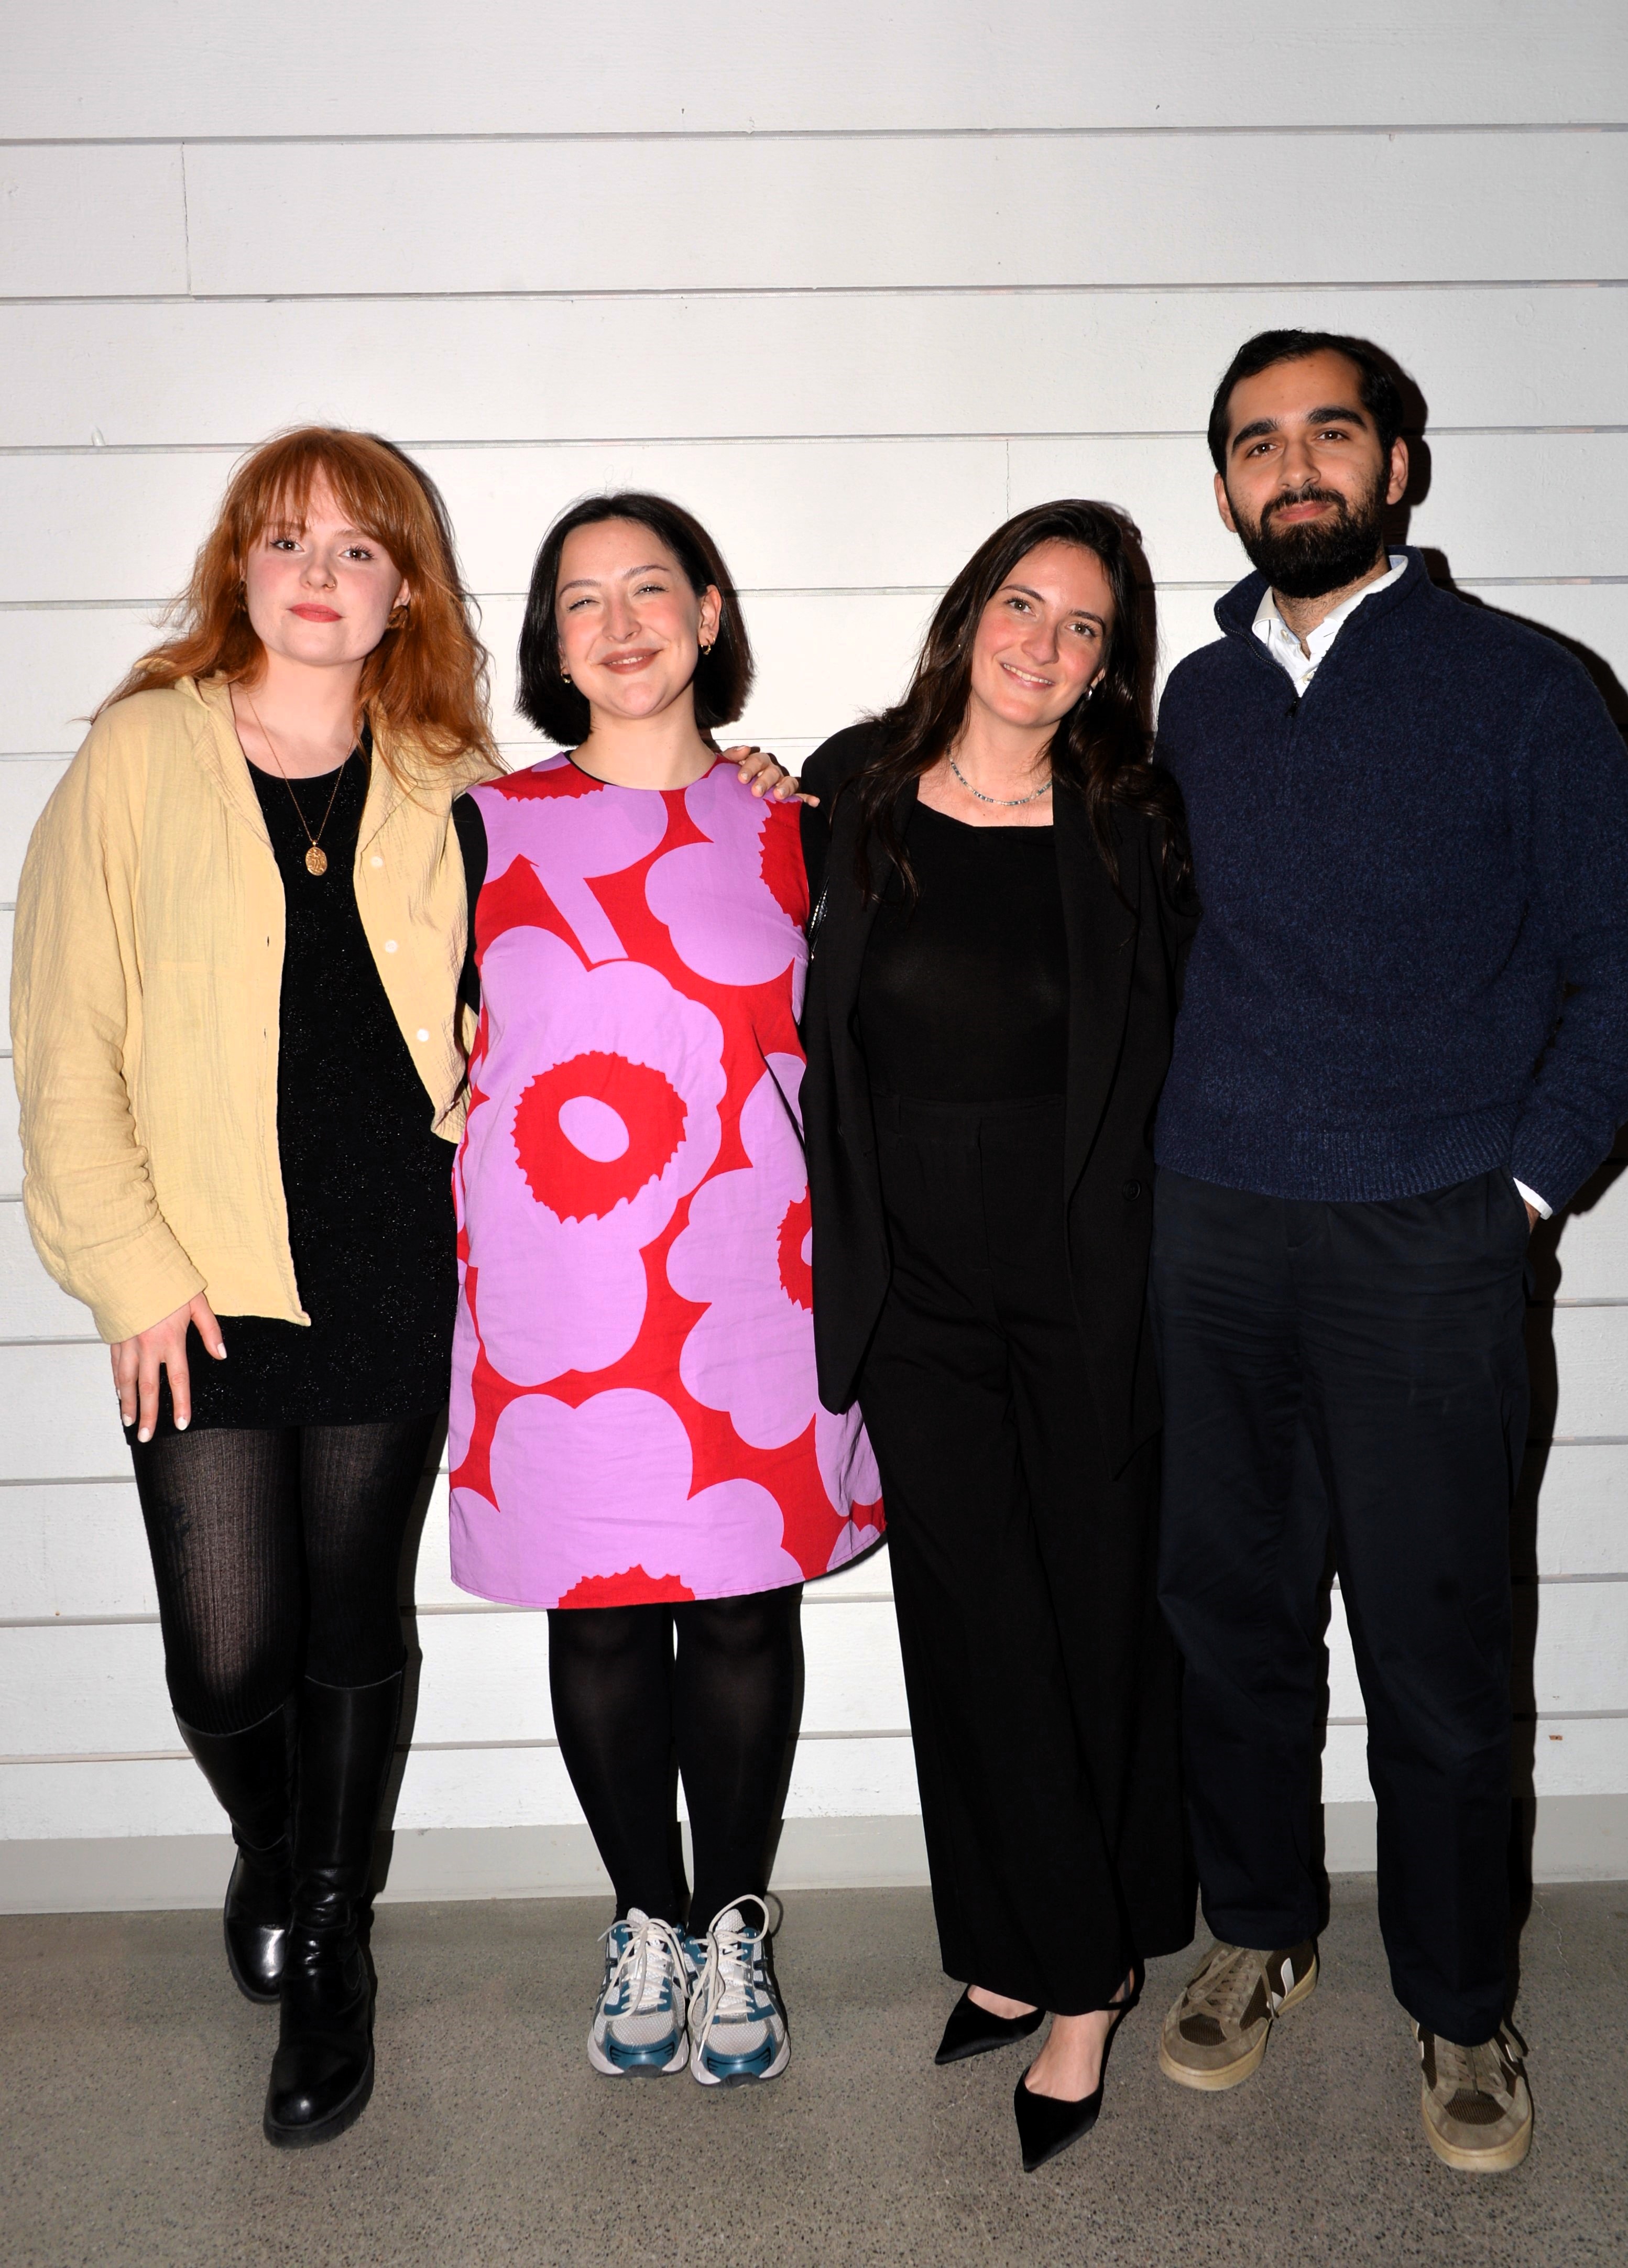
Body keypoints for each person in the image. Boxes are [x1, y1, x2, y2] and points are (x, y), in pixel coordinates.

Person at [1148, 330, 1628, 2173]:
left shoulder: (1524, 687)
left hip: (1432, 1244)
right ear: (1224, 486)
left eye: (1332, 432)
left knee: (1441, 1652)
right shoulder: (1196, 701)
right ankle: (1258, 1924)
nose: (1294, 465)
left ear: (1399, 465)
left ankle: (1463, 2006)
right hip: (1214, 1228)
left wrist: (1522, 1190)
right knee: (1228, 1621)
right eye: (1257, 443)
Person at [10, 428, 498, 2147]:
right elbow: (63, 1033)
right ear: (240, 565)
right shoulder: (143, 749)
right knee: (227, 1656)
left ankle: (333, 1947)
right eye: (287, 540)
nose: (319, 574)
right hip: (199, 1269)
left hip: (390, 1250)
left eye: (360, 549)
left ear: (403, 592)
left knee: (354, 1616)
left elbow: (579, 916)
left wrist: (741, 774)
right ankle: (279, 1846)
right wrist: (127, 1270)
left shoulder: (450, 772)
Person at [448, 490, 881, 2090]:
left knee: (747, 1606)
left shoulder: (800, 823)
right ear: (551, 642)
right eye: (583, 599)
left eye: (651, 589)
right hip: (560, 1296)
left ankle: (732, 1919)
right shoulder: (481, 825)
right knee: (604, 1616)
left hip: (748, 1285)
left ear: (708, 613)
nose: (621, 623)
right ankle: (646, 1915)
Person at [798, 499, 1197, 2171]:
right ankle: (1016, 1937)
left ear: (1109, 667)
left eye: (1083, 626)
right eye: (1023, 604)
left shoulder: (1131, 817)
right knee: (968, 1620)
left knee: (1088, 1618)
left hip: (1086, 1274)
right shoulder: (850, 786)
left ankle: (1087, 1970)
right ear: (971, 614)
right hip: (912, 1279)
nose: (1043, 644)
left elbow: (1185, 1038)